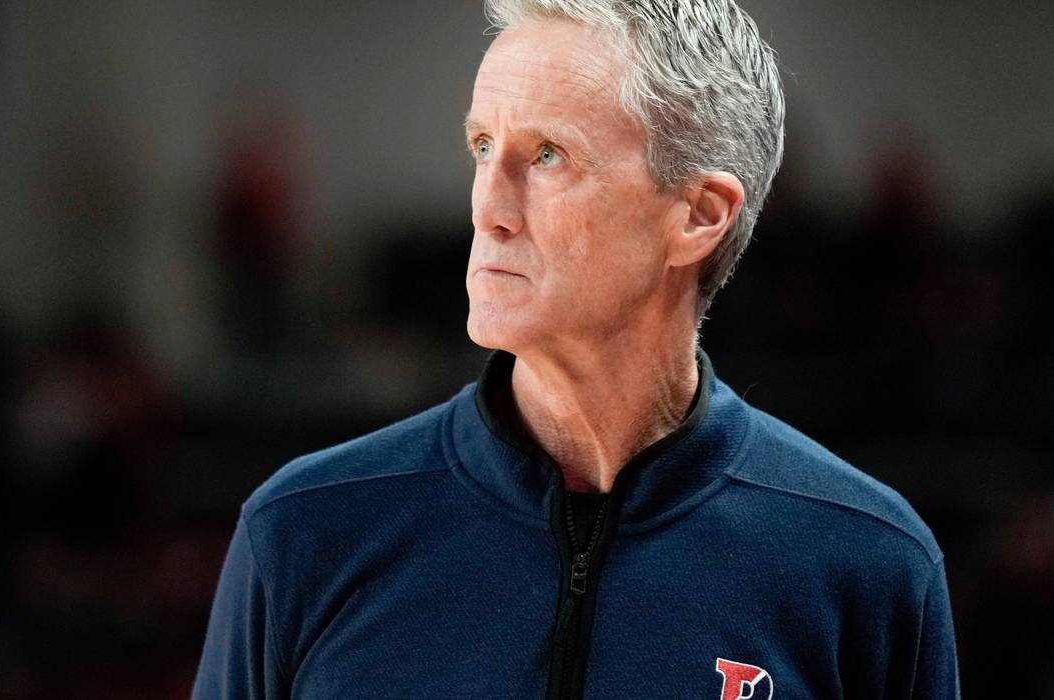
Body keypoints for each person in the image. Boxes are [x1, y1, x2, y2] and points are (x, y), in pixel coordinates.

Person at [192, 0, 960, 697]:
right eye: (482, 145)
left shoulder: (868, 563)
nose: (487, 208)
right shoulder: (303, 531)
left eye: (548, 155)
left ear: (697, 215)